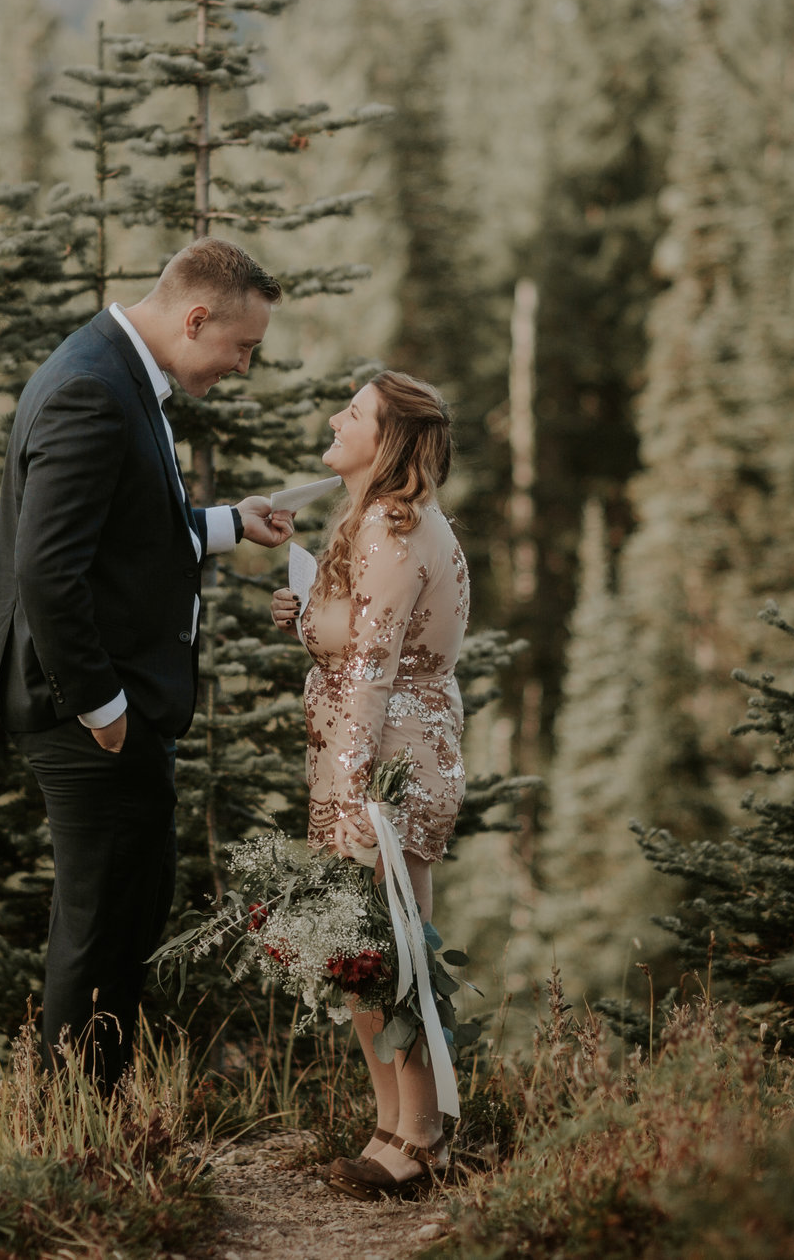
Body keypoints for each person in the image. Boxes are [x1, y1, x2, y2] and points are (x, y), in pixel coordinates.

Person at [0, 238, 294, 1089]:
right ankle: (77, 1137)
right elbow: (49, 568)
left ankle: (94, 1121)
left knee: (126, 916)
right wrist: (103, 707)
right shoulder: (91, 389)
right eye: (241, 347)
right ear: (195, 318)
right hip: (88, 711)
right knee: (100, 928)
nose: (241, 366)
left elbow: (136, 530)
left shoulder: (115, 369)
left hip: (116, 705)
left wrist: (229, 521)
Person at [269, 371, 467, 1199]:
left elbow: (374, 673)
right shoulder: (381, 523)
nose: (334, 417)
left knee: (389, 950)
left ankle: (419, 1140)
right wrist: (309, 612)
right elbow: (361, 638)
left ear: (384, 441)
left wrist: (353, 798)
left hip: (382, 760)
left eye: (352, 412)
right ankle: (391, 1125)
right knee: (362, 953)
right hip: (368, 751)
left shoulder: (392, 525)